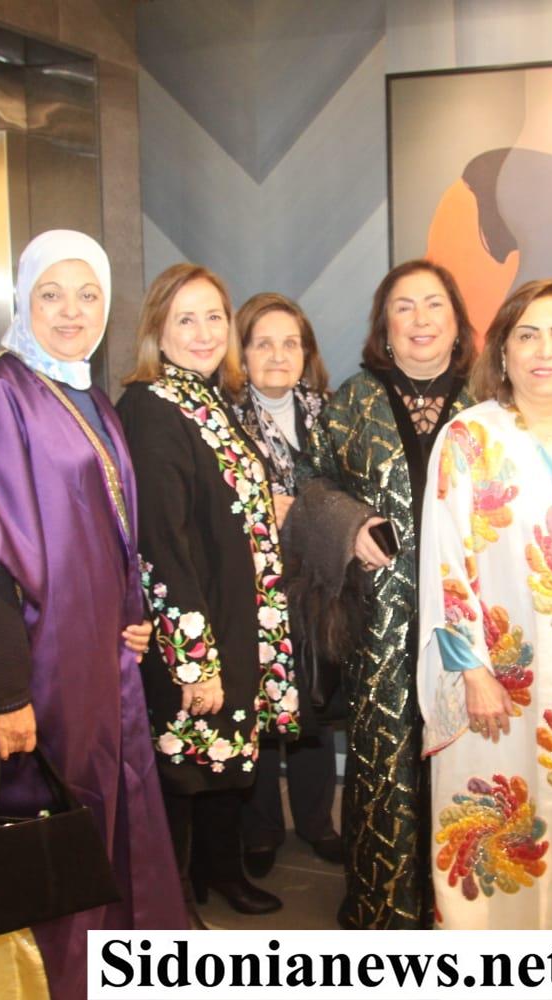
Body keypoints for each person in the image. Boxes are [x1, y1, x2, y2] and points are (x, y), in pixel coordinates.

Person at [0, 231, 184, 996]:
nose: (71, 312)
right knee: (59, 845)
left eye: (88, 295)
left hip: (100, 666)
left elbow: (107, 528)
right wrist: (9, 694)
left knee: (110, 828)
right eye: (51, 294)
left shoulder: (85, 391)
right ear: (23, 301)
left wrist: (132, 614)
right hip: (41, 670)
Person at [416, 279, 552, 988]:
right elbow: (447, 561)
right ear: (502, 350)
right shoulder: (469, 436)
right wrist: (471, 669)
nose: (545, 350)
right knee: (503, 814)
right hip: (507, 672)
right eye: (527, 334)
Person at [117, 264, 299, 921]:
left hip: (234, 617)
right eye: (185, 319)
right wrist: (194, 662)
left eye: (214, 317)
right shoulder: (150, 407)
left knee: (223, 760)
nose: (202, 332)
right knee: (181, 772)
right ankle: (169, 906)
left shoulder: (208, 396)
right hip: (191, 631)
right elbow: (160, 545)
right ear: (158, 330)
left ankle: (220, 873)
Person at [303, 259, 477, 929]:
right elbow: (309, 486)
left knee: (469, 756)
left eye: (434, 304)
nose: (420, 319)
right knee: (383, 763)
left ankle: (465, 911)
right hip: (379, 622)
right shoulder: (352, 402)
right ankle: (384, 909)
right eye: (404, 306)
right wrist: (350, 525)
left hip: (471, 624)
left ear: (457, 320)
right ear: (384, 324)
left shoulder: (489, 400)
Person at [226, 292, 344, 875]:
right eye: (263, 343)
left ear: (306, 352)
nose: (278, 355)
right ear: (241, 353)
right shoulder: (222, 420)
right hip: (249, 591)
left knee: (313, 710)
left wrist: (302, 511)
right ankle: (262, 830)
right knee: (259, 712)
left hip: (319, 589)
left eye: (290, 343)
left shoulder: (331, 415)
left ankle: (318, 822)